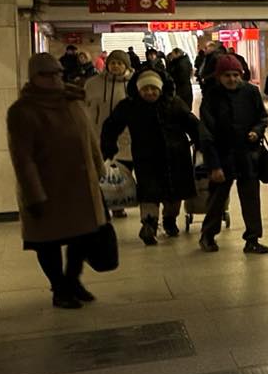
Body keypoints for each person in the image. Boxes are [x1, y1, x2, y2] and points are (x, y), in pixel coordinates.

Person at [7, 53, 110, 308]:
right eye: (46, 74)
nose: (54, 79)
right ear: (33, 77)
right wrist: (34, 194)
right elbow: (23, 157)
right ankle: (59, 288)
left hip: (80, 184)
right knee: (48, 241)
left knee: (83, 236)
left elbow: (89, 139)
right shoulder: (22, 111)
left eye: (57, 73)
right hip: (47, 187)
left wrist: (98, 170)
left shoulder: (72, 101)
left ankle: (72, 280)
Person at [102, 66, 202, 245]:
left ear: (161, 88)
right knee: (149, 192)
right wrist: (108, 149)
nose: (149, 92)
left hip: (176, 156)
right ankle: (149, 224)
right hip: (146, 157)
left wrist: (202, 145)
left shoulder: (174, 103)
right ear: (138, 89)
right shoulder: (130, 106)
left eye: (153, 88)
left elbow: (192, 125)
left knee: (174, 194)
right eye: (145, 89)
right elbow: (111, 126)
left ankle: (170, 220)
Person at [197, 53, 268, 254]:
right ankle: (208, 235)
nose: (232, 79)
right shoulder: (212, 96)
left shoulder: (251, 92)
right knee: (217, 199)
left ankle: (253, 238)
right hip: (222, 155)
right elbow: (206, 133)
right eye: (227, 75)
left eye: (236, 75)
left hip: (247, 154)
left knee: (251, 199)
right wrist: (214, 165)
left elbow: (262, 117)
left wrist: (256, 131)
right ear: (219, 76)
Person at [84, 49, 134, 216]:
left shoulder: (133, 84)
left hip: (126, 135)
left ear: (126, 66)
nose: (115, 66)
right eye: (112, 63)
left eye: (120, 63)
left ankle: (119, 204)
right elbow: (86, 106)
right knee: (101, 171)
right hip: (99, 134)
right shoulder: (93, 84)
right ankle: (103, 206)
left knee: (123, 171)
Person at [167, 47, 195, 112]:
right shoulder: (183, 61)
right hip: (185, 88)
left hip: (182, 89)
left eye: (173, 54)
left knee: (182, 107)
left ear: (177, 53)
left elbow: (182, 77)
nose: (172, 55)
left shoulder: (181, 63)